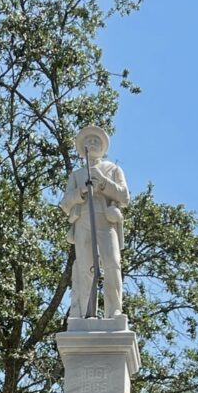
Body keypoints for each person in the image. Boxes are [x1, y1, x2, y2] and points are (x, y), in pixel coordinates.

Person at [59, 126, 129, 319]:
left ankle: (114, 310)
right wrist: (80, 192)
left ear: (103, 146)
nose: (92, 143)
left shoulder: (112, 169)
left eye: (96, 141)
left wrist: (104, 184)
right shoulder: (76, 175)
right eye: (89, 141)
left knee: (112, 264)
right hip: (83, 221)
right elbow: (65, 204)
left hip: (106, 221)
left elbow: (124, 197)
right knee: (85, 266)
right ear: (83, 147)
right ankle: (84, 312)